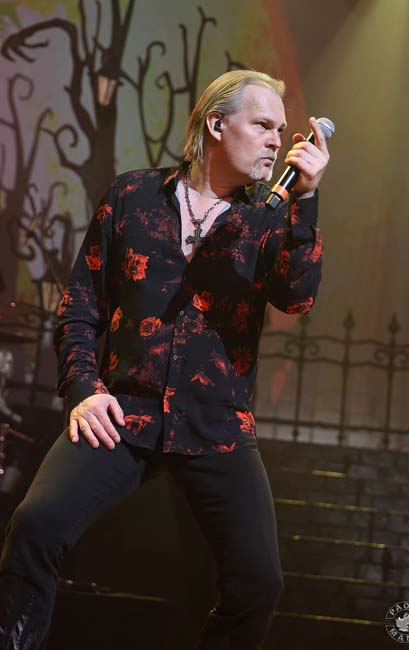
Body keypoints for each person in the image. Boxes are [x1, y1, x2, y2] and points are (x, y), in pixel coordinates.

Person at [0, 69, 329, 649]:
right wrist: (84, 390)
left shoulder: (269, 217)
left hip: (217, 423)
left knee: (258, 583)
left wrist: (305, 200)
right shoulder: (132, 196)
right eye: (264, 125)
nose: (278, 141)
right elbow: (79, 307)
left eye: (282, 130)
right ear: (216, 125)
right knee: (34, 526)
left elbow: (298, 295)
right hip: (124, 412)